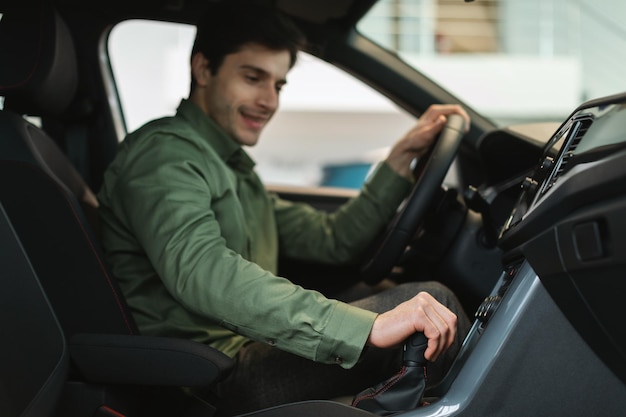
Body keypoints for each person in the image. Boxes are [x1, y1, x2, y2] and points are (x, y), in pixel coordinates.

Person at [97, 1, 472, 414]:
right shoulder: (164, 156)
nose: (268, 100)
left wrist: (398, 163)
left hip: (243, 350)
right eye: (253, 77)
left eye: (277, 85)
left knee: (404, 300)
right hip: (211, 377)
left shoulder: (230, 167)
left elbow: (332, 241)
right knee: (435, 303)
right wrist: (369, 327)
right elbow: (204, 271)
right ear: (204, 69)